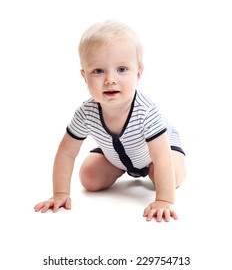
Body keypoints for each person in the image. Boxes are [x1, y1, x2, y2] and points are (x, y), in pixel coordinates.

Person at [34, 20, 186, 222]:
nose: (110, 80)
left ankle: (171, 170)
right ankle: (119, 168)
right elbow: (66, 152)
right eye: (98, 71)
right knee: (89, 178)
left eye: (122, 69)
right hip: (116, 154)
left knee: (168, 175)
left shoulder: (146, 112)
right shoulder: (86, 112)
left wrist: (164, 200)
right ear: (84, 76)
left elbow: (162, 157)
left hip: (159, 153)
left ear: (138, 73)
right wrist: (60, 193)